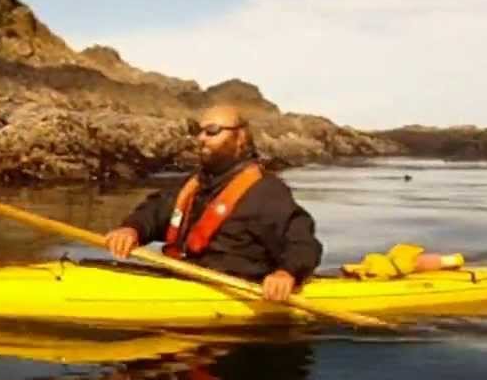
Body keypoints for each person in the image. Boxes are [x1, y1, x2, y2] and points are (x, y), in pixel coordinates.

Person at [102, 105, 322, 302]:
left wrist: (287, 273)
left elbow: (303, 243)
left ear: (240, 138)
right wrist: (132, 229)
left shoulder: (266, 192)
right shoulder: (195, 184)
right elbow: (156, 210)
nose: (201, 138)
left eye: (212, 131)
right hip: (184, 280)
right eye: (198, 130)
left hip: (235, 295)